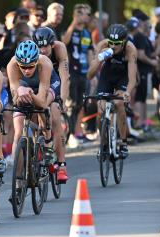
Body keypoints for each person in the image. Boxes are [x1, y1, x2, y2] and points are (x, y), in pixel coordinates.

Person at [87, 24, 138, 158]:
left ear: (124, 42)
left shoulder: (130, 48)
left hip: (123, 76)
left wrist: (127, 91)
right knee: (100, 109)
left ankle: (123, 142)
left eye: (117, 43)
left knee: (119, 104)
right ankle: (103, 143)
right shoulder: (103, 45)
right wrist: (99, 59)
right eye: (111, 43)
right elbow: (90, 75)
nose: (113, 46)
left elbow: (132, 78)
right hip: (107, 75)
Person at [7, 40, 55, 175]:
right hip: (25, 87)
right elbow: (16, 99)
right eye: (23, 66)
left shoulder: (44, 63)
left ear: (36, 62)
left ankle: (48, 142)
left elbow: (41, 101)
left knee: (44, 109)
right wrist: (21, 90)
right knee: (18, 133)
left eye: (31, 66)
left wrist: (28, 92)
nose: (27, 70)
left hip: (46, 85)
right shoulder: (12, 65)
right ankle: (17, 182)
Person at [33, 27, 70, 182]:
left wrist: (62, 99)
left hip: (55, 83)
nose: (42, 50)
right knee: (34, 115)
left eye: (45, 46)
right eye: (39, 47)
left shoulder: (60, 48)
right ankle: (38, 152)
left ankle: (61, 165)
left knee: (55, 118)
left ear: (52, 44)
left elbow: (64, 77)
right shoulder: (34, 51)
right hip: (39, 81)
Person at [62, 4, 94, 145]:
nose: (87, 16)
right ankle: (69, 135)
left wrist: (92, 73)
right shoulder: (70, 29)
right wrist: (74, 22)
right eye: (85, 14)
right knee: (72, 104)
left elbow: (90, 52)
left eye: (88, 14)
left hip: (84, 72)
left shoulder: (87, 33)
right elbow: (64, 42)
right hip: (72, 72)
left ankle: (77, 132)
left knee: (81, 103)